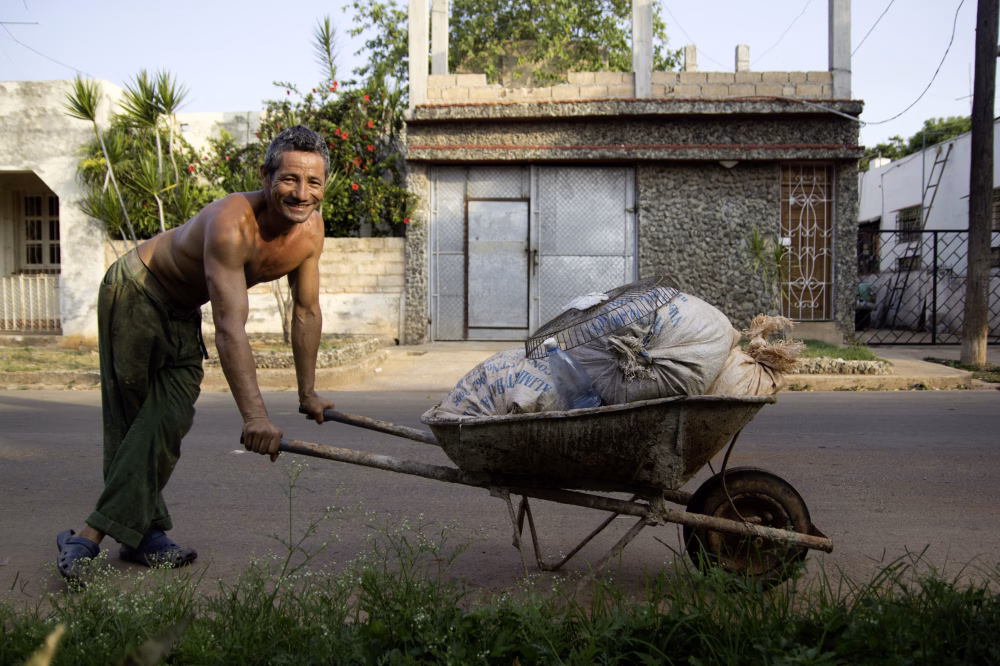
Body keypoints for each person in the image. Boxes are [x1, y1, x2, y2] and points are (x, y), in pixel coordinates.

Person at [56, 125, 338, 580]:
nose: (301, 193)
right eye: (289, 179)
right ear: (266, 176)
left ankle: (109, 535)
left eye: (313, 183)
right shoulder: (232, 222)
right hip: (136, 290)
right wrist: (255, 417)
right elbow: (230, 326)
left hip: (182, 307)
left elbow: (306, 311)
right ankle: (122, 537)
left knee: (169, 417)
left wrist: (308, 393)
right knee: (136, 422)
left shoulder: (311, 232)